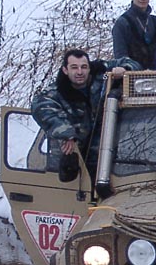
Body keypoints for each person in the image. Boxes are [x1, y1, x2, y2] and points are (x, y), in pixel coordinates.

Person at [31, 48, 141, 181]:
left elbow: (132, 63)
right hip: (74, 153)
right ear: (65, 70)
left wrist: (124, 69)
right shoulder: (57, 91)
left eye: (84, 67)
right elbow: (40, 107)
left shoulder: (102, 73)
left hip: (107, 153)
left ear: (89, 68)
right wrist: (67, 134)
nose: (79, 72)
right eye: (74, 67)